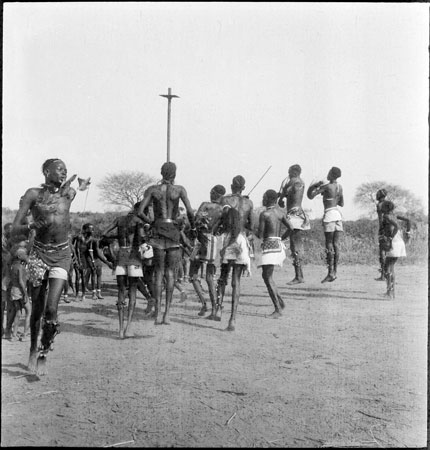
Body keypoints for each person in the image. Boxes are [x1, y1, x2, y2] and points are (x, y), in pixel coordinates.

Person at [11, 158, 76, 375]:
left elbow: (72, 190)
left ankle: (43, 352)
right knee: (37, 310)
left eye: (66, 169)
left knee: (51, 309)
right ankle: (31, 348)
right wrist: (30, 225)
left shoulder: (68, 193)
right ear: (46, 171)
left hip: (62, 255)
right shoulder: (33, 195)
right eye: (59, 169)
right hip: (38, 255)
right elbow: (14, 228)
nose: (64, 172)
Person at [136, 162, 196, 325]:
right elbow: (190, 211)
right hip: (173, 232)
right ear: (174, 174)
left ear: (161, 173)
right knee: (170, 274)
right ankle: (167, 314)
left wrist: (152, 223)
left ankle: (158, 312)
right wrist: (194, 228)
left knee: (158, 273)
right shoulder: (180, 190)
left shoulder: (152, 190)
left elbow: (140, 212)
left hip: (157, 232)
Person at [215, 175, 254, 330]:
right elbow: (251, 226)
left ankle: (218, 309)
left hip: (227, 239)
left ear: (231, 186)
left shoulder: (224, 200)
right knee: (236, 280)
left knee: (223, 277)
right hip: (241, 240)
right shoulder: (249, 203)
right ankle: (232, 319)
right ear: (243, 188)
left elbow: (219, 219)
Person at [102, 202, 145, 339]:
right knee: (132, 291)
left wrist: (118, 237)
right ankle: (128, 328)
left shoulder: (119, 220)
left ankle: (120, 330)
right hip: (134, 256)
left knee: (121, 291)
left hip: (121, 255)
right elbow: (143, 238)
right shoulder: (139, 221)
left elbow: (104, 233)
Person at [189, 184, 226, 318]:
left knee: (193, 275)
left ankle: (205, 304)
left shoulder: (205, 205)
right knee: (210, 277)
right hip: (213, 241)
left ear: (215, 194)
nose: (210, 194)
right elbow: (223, 227)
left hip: (200, 241)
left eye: (212, 192)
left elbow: (196, 221)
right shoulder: (223, 210)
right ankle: (215, 309)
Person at [307, 167, 344, 283]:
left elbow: (310, 195)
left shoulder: (326, 187)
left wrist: (315, 185)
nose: (327, 174)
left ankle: (330, 273)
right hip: (338, 215)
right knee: (336, 244)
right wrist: (333, 199)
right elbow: (341, 203)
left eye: (328, 173)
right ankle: (335, 272)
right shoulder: (340, 187)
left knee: (329, 243)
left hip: (329, 215)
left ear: (332, 175)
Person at [257, 190, 290, 317]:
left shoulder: (265, 214)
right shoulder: (280, 213)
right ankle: (280, 302)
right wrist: (281, 238)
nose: (262, 200)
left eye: (263, 197)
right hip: (278, 246)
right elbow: (291, 228)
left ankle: (278, 309)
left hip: (269, 246)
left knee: (267, 277)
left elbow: (260, 234)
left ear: (267, 199)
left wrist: (250, 227)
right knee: (268, 276)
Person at [277, 164, 310, 284]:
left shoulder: (294, 182)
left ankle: (299, 276)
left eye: (289, 172)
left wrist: (280, 196)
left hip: (295, 214)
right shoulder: (298, 182)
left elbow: (284, 194)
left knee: (295, 246)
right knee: (294, 245)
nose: (288, 175)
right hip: (297, 213)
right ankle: (298, 275)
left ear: (293, 172)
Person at [378, 200, 411, 299]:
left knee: (388, 267)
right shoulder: (394, 215)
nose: (381, 208)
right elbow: (408, 220)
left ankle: (390, 293)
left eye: (382, 207)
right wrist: (408, 234)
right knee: (390, 267)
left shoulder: (386, 216)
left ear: (386, 208)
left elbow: (396, 226)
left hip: (394, 243)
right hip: (399, 242)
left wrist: (391, 237)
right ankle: (391, 292)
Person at [4, 244, 31, 341]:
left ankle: (14, 335)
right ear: (20, 256)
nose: (27, 256)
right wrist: (25, 294)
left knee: (18, 312)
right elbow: (21, 281)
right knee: (29, 311)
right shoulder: (21, 267)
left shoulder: (13, 266)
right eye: (25, 255)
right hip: (20, 291)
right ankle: (25, 335)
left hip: (13, 291)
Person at [82, 223, 113, 299]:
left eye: (93, 229)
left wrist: (106, 261)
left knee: (98, 276)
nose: (92, 230)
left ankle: (98, 292)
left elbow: (99, 253)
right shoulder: (83, 239)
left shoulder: (95, 240)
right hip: (90, 260)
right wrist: (107, 262)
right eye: (90, 228)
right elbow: (97, 253)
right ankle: (93, 293)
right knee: (93, 276)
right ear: (85, 230)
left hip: (97, 260)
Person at [374, 188, 388, 281]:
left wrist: (381, 230)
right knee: (387, 251)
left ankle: (383, 274)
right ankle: (386, 272)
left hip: (383, 229)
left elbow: (380, 219)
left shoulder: (379, 205)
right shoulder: (389, 204)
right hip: (390, 228)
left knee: (382, 252)